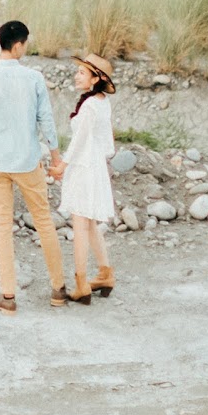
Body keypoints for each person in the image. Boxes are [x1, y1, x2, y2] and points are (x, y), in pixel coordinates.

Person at [0, 19, 68, 312]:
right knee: (44, 221)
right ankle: (59, 290)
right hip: (27, 161)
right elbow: (46, 120)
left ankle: (8, 296)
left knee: (2, 227)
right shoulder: (34, 78)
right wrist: (55, 158)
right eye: (25, 44)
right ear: (17, 46)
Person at [57, 53, 117, 302]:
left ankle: (81, 282)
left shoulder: (91, 105)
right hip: (94, 165)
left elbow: (80, 140)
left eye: (82, 72)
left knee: (81, 224)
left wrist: (62, 164)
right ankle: (105, 274)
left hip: (85, 166)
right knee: (89, 223)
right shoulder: (101, 102)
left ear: (96, 79)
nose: (77, 75)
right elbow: (107, 143)